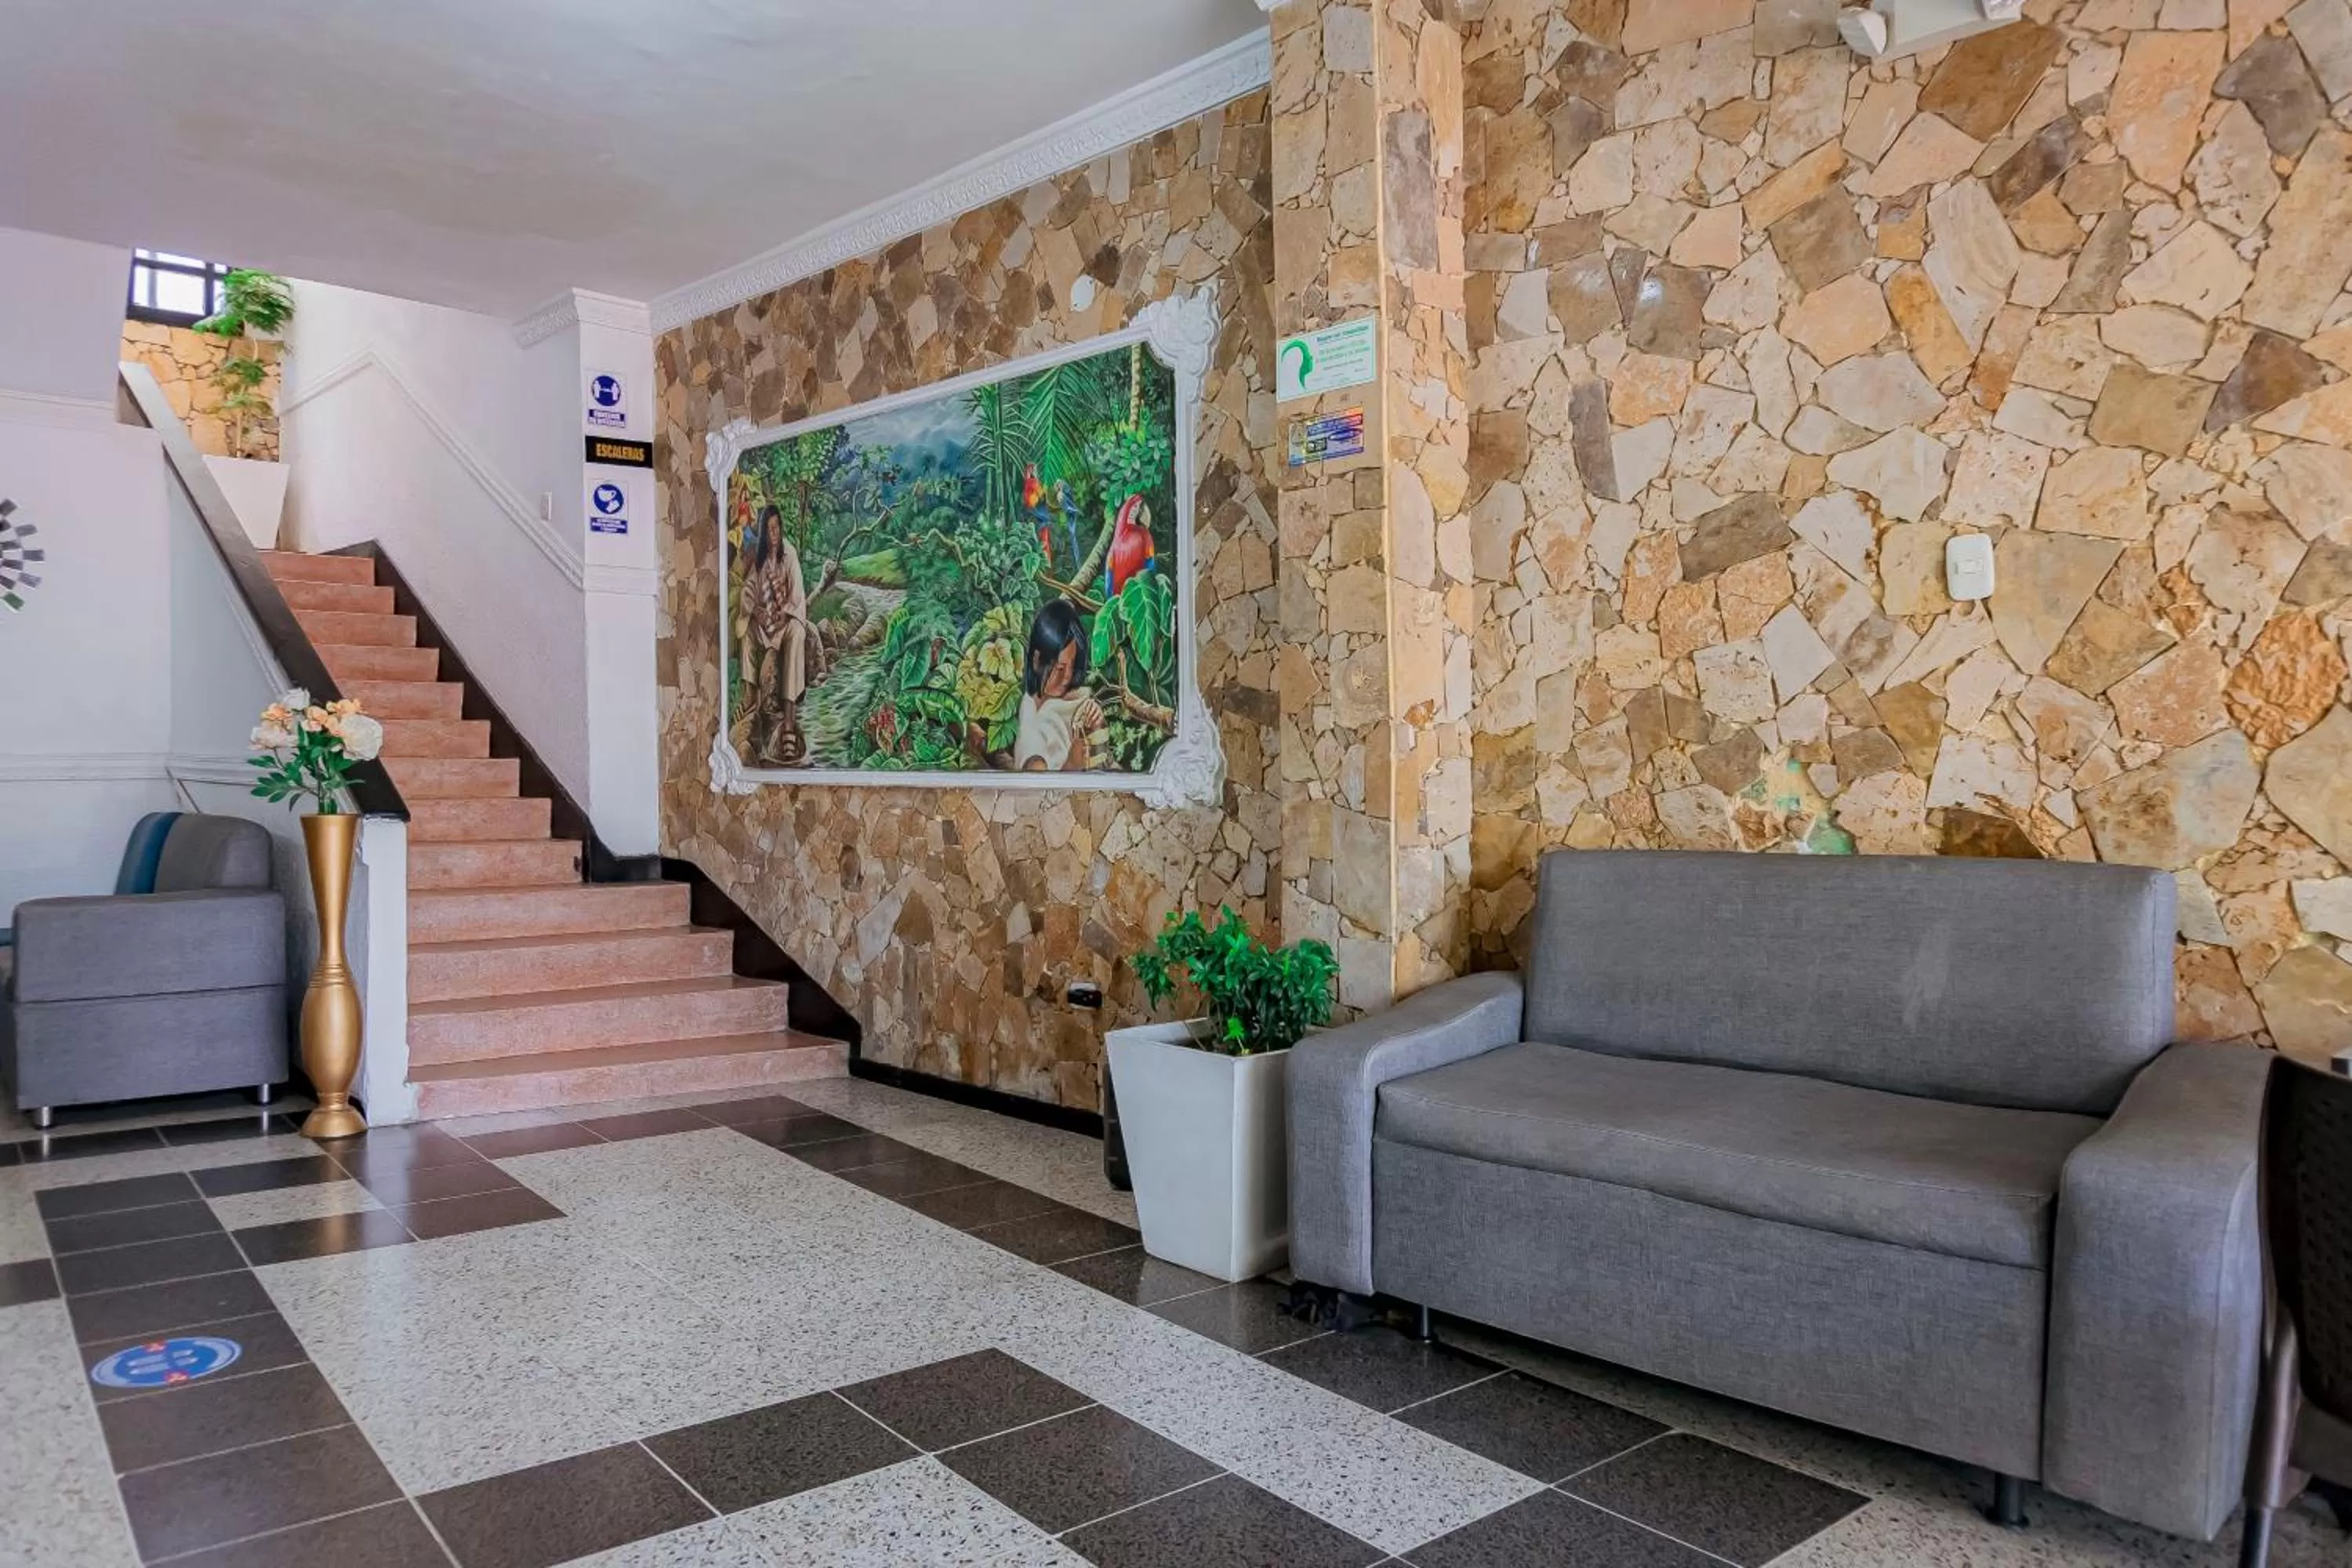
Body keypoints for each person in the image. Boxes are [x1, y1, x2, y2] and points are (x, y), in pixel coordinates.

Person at [746, 506, 809, 764]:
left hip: (787, 620)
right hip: (767, 626)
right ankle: (754, 704)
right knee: (753, 634)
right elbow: (750, 592)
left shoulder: (789, 553)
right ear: (764, 531)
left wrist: (788, 614)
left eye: (778, 528)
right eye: (770, 529)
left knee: (796, 634)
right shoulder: (760, 558)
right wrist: (757, 611)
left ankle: (789, 724)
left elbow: (798, 594)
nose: (775, 533)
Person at [1012, 601, 1103, 771]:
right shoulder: (1031, 715)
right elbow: (1037, 781)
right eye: (1060, 668)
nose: (1067, 677)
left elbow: (1100, 758)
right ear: (1037, 660)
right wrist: (1070, 765)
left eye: (1072, 665)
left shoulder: (1074, 698)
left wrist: (1096, 724)